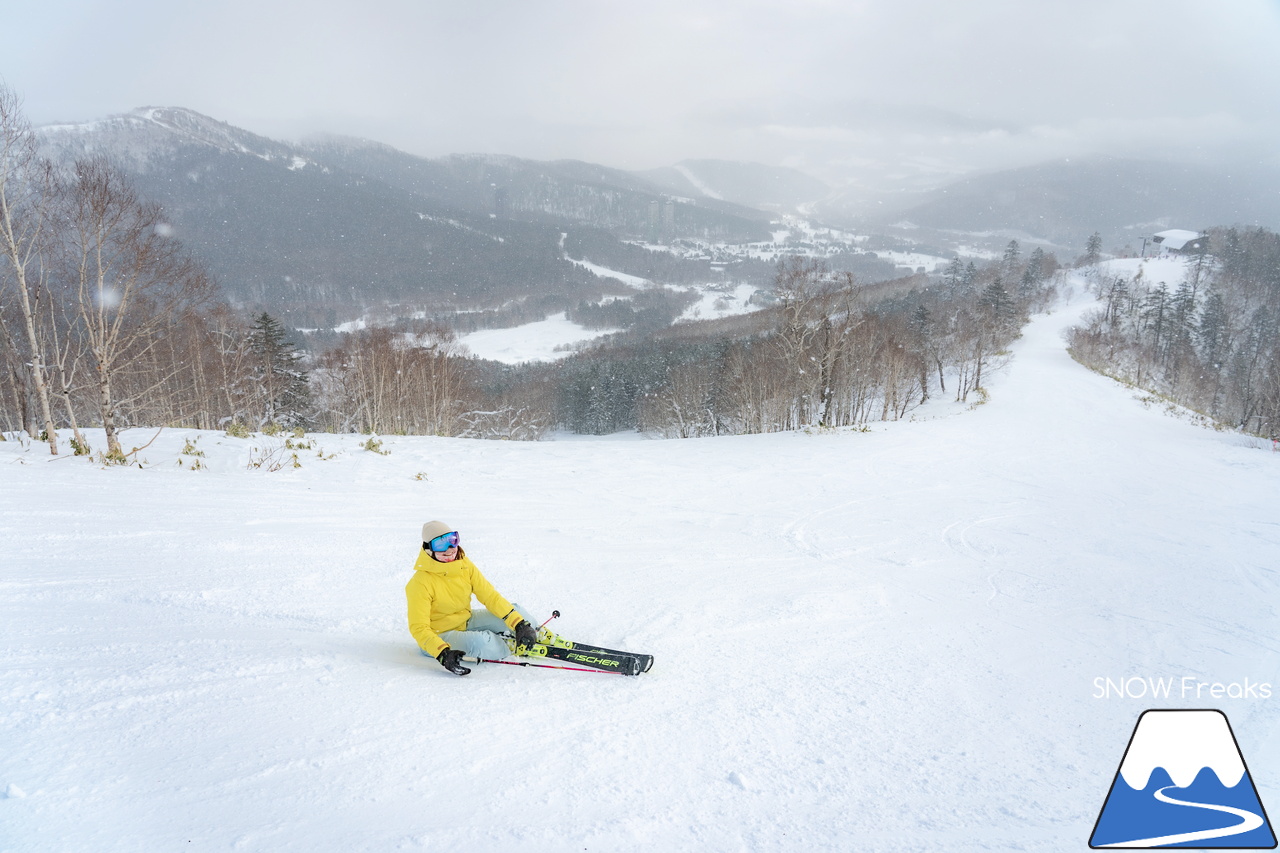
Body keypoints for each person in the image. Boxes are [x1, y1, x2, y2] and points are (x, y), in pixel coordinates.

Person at [405, 521, 537, 676]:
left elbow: (489, 595)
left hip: (465, 620)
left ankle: (531, 631)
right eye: (440, 545)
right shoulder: (419, 583)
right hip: (439, 636)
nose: (449, 550)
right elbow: (418, 628)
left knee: (519, 613)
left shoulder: (464, 565)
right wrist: (442, 653)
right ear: (428, 549)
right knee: (482, 643)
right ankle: (509, 644)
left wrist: (520, 624)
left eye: (452, 540)